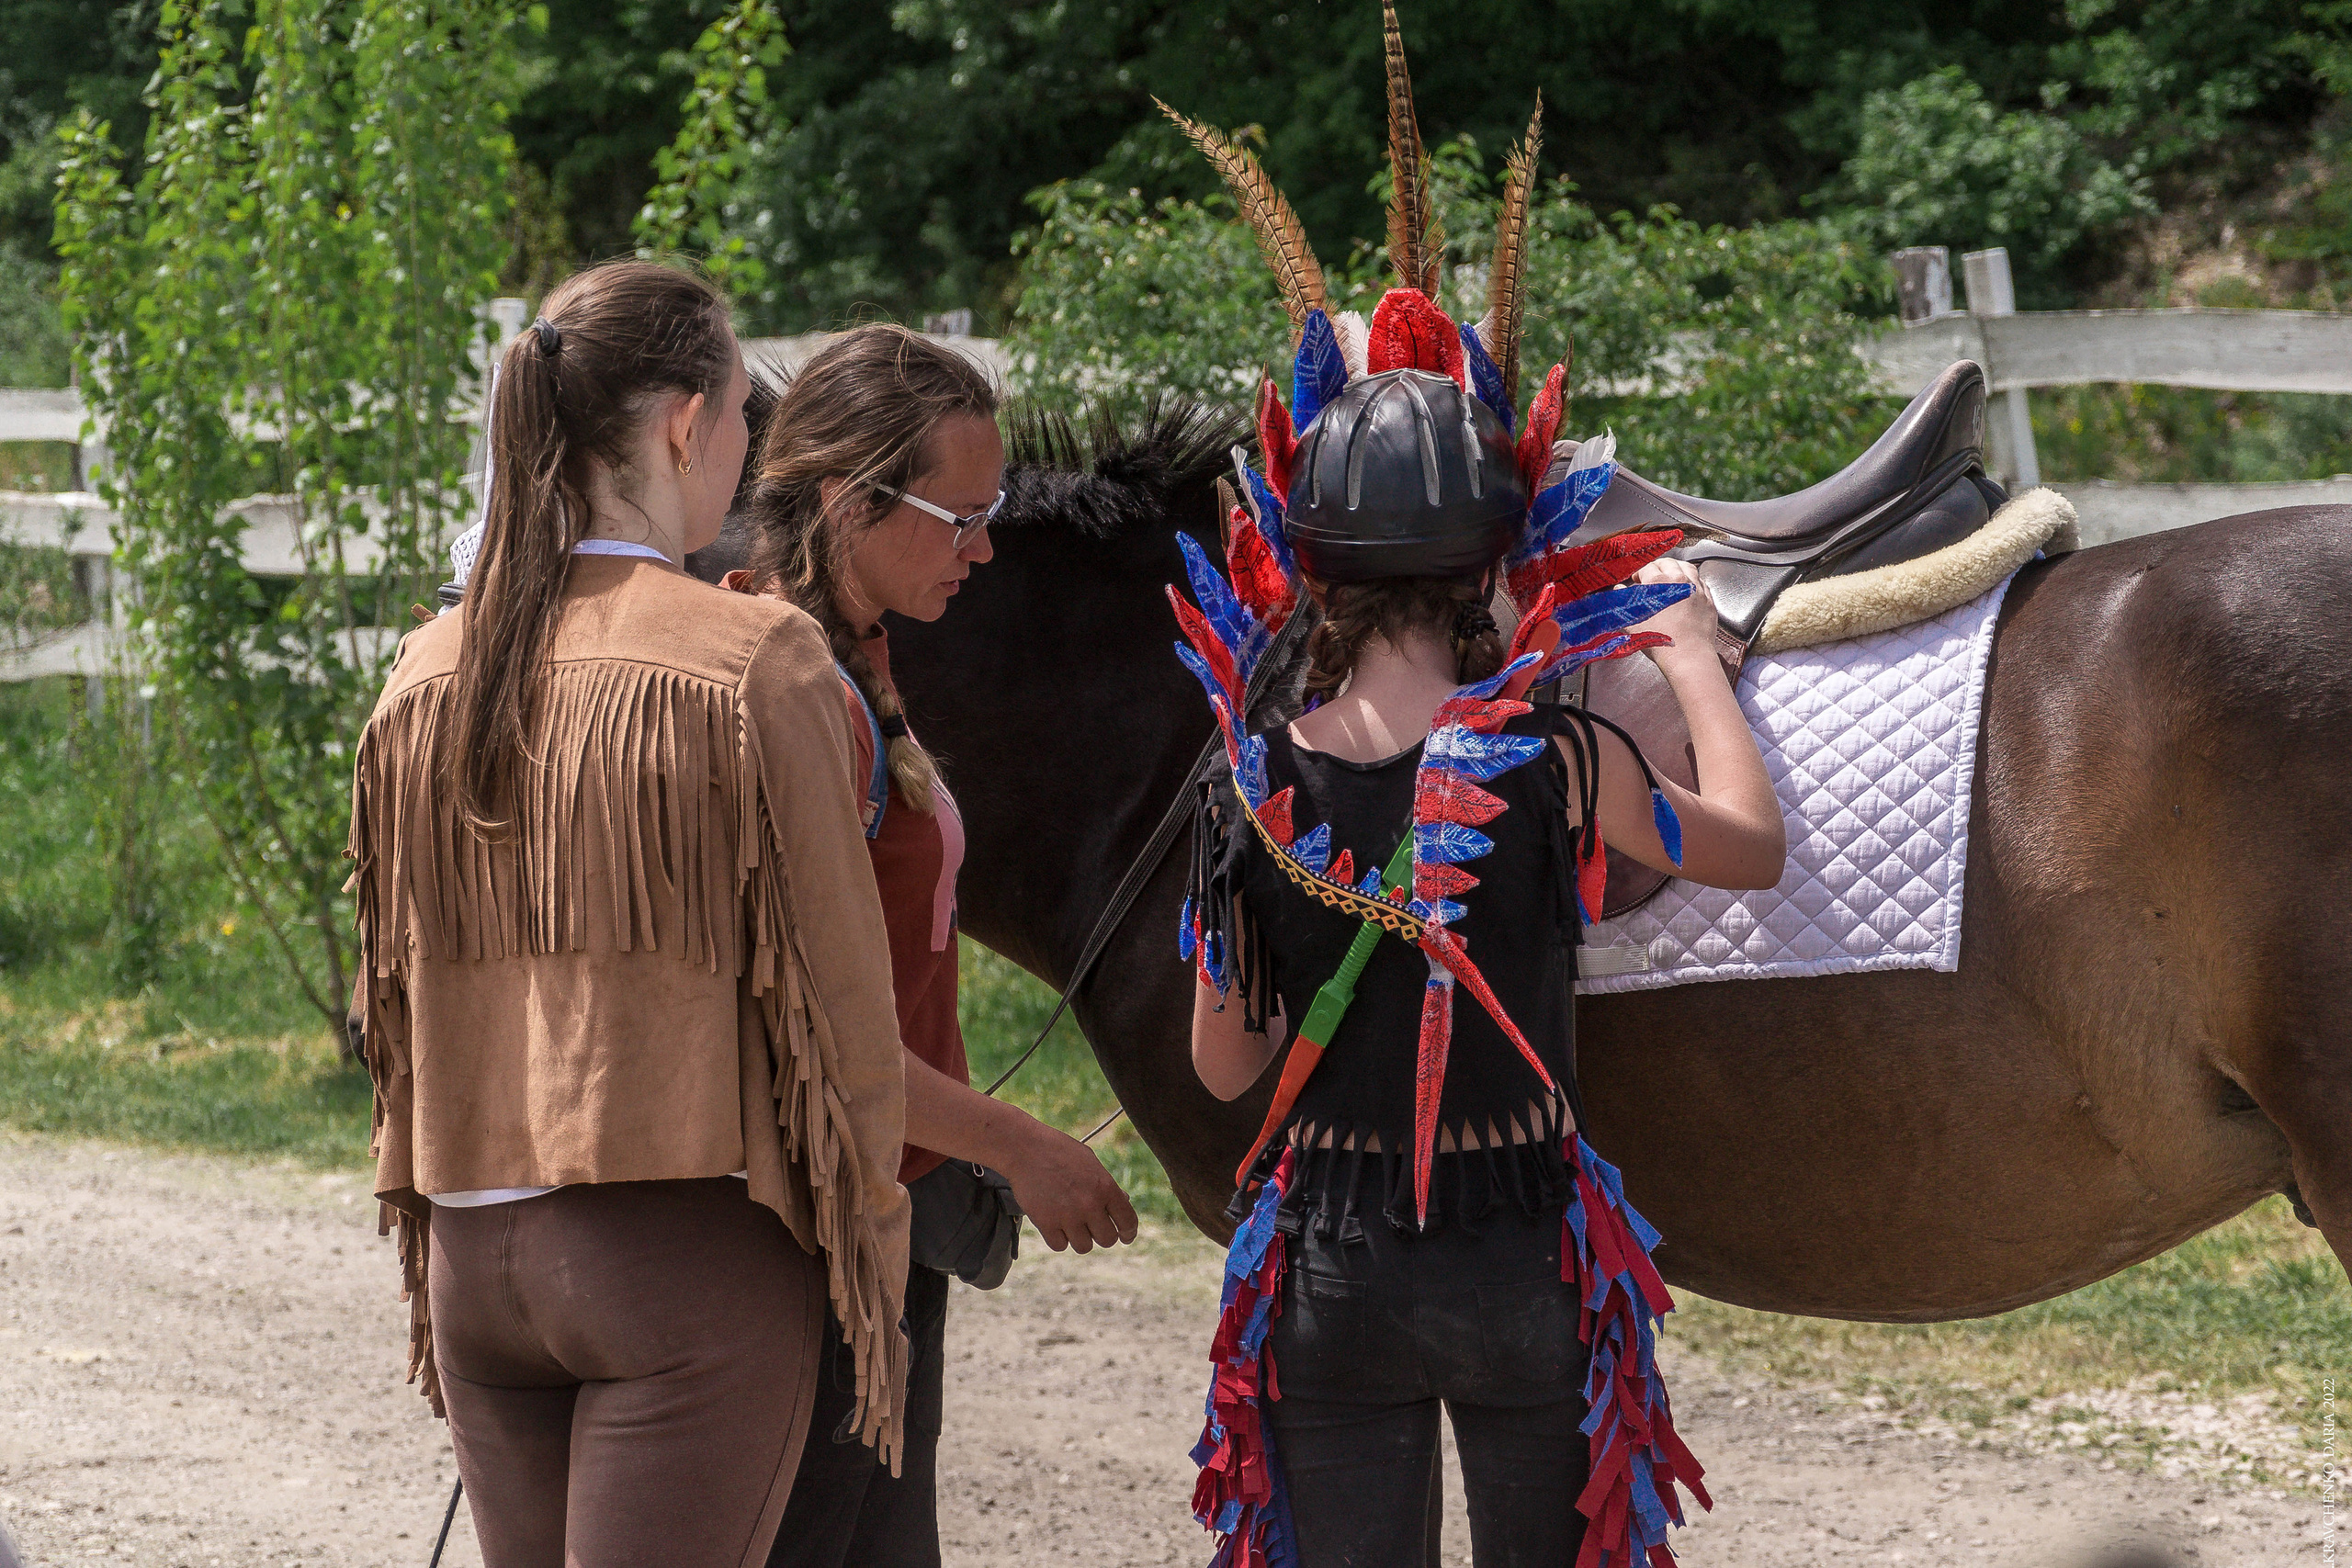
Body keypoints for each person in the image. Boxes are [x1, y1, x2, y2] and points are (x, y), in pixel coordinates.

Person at [1164, 24, 1786, 1565]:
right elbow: (1751, 851)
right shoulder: (1567, 761)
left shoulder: (1252, 789)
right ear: (1496, 562)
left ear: (1309, 568)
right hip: (1523, 1266)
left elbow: (1226, 1068)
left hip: (1332, 1272)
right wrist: (1689, 659)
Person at [345, 259, 912, 1568]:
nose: (745, 451)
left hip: (474, 1253)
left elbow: (392, 1004)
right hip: (681, 1253)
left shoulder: (423, 671)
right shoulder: (753, 659)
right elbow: (844, 1013)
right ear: (685, 424)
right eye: (742, 416)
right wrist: (871, 1251)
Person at [725, 324, 1139, 1568]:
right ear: (849, 501)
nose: (986, 546)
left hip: (876, 1209)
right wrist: (1020, 1145)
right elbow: (805, 1033)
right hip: (807, 1234)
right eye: (961, 518)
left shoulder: (852, 655)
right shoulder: (786, 687)